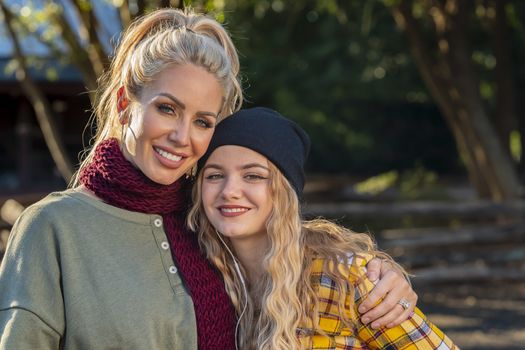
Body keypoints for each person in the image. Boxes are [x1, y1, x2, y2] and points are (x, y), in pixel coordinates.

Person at [0, 8, 415, 350]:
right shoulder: (52, 229)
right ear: (126, 104)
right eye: (167, 109)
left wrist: (376, 274)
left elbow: (287, 250)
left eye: (202, 121)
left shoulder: (209, 225)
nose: (182, 137)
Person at [188, 107, 459, 349]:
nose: (230, 191)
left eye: (253, 176)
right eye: (214, 175)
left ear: (284, 192)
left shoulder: (343, 277)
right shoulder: (204, 280)